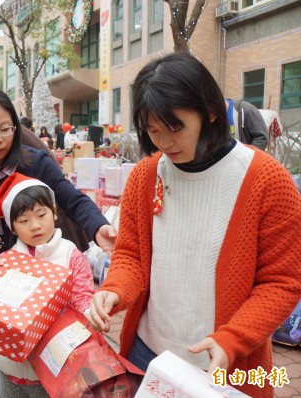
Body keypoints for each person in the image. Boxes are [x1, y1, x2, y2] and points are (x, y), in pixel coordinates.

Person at [86, 52, 301, 398]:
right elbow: (131, 256)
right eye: (153, 131)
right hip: (148, 352)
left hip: (226, 364)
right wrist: (115, 290)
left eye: (175, 128)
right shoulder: (145, 176)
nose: (164, 143)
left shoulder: (266, 179)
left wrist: (235, 339)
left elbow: (282, 282)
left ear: (210, 111)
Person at [0, 88, 115, 397]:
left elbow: (72, 199)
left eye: (5, 129)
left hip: (39, 279)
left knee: (40, 358)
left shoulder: (35, 161)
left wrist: (99, 227)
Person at [0, 173, 94, 397]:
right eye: (24, 221)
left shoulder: (70, 255)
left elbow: (83, 299)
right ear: (12, 227)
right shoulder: (6, 260)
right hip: (9, 365)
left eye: (41, 215)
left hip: (52, 367)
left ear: (54, 213)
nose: (35, 226)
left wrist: (93, 314)